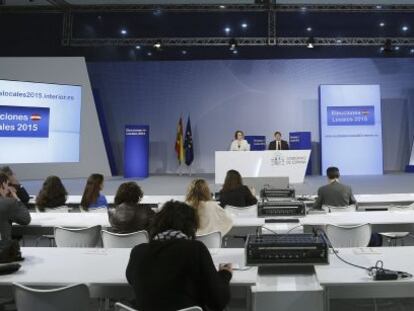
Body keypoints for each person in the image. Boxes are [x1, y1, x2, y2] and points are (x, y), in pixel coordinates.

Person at [126, 200, 232, 311]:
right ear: (191, 226)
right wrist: (225, 274)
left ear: (156, 223)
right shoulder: (195, 249)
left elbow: (131, 279)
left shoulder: (138, 252)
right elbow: (219, 301)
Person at [0, 173, 31, 240]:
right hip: (4, 248)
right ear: (3, 184)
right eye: (7, 184)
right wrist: (17, 199)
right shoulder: (8, 203)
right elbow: (26, 220)